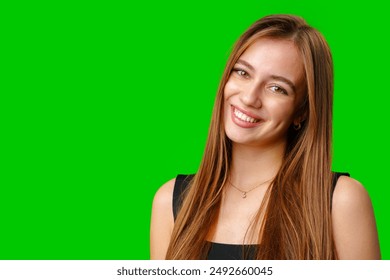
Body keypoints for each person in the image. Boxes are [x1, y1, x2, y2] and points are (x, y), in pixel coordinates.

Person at [150, 14, 381, 260]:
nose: (250, 98)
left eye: (277, 88)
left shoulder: (341, 202)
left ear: (301, 111)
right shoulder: (171, 202)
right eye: (242, 73)